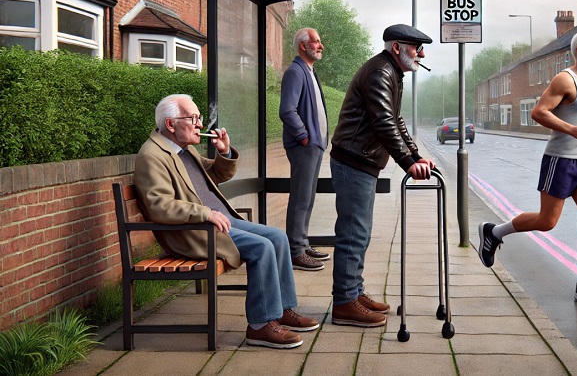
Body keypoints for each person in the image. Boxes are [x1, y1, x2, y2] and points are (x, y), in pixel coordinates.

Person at [134, 94, 319, 349]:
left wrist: (225, 152)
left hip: (220, 221)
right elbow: (159, 206)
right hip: (195, 231)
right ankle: (260, 326)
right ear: (170, 124)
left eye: (199, 118)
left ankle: (282, 309)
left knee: (277, 237)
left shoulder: (182, 149)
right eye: (193, 118)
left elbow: (213, 176)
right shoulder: (152, 156)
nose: (200, 125)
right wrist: (205, 214)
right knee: (262, 248)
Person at [477, 29, 577, 305]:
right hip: (560, 161)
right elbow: (539, 112)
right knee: (547, 221)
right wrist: (570, 129)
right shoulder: (565, 79)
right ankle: (494, 232)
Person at [328, 24, 436, 327]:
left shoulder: (389, 71)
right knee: (353, 233)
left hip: (360, 161)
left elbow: (395, 119)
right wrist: (407, 162)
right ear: (398, 48)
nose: (422, 53)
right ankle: (345, 303)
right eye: (417, 47)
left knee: (359, 234)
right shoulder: (380, 72)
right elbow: (383, 122)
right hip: (354, 161)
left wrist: (415, 155)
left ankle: (353, 292)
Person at [279, 28, 330, 271]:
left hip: (314, 146)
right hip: (305, 147)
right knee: (301, 197)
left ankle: (303, 243)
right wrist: (304, 137)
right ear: (303, 45)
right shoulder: (295, 72)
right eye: (316, 41)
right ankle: (295, 251)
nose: (320, 46)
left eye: (319, 42)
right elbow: (287, 110)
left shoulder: (308, 70)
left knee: (308, 197)